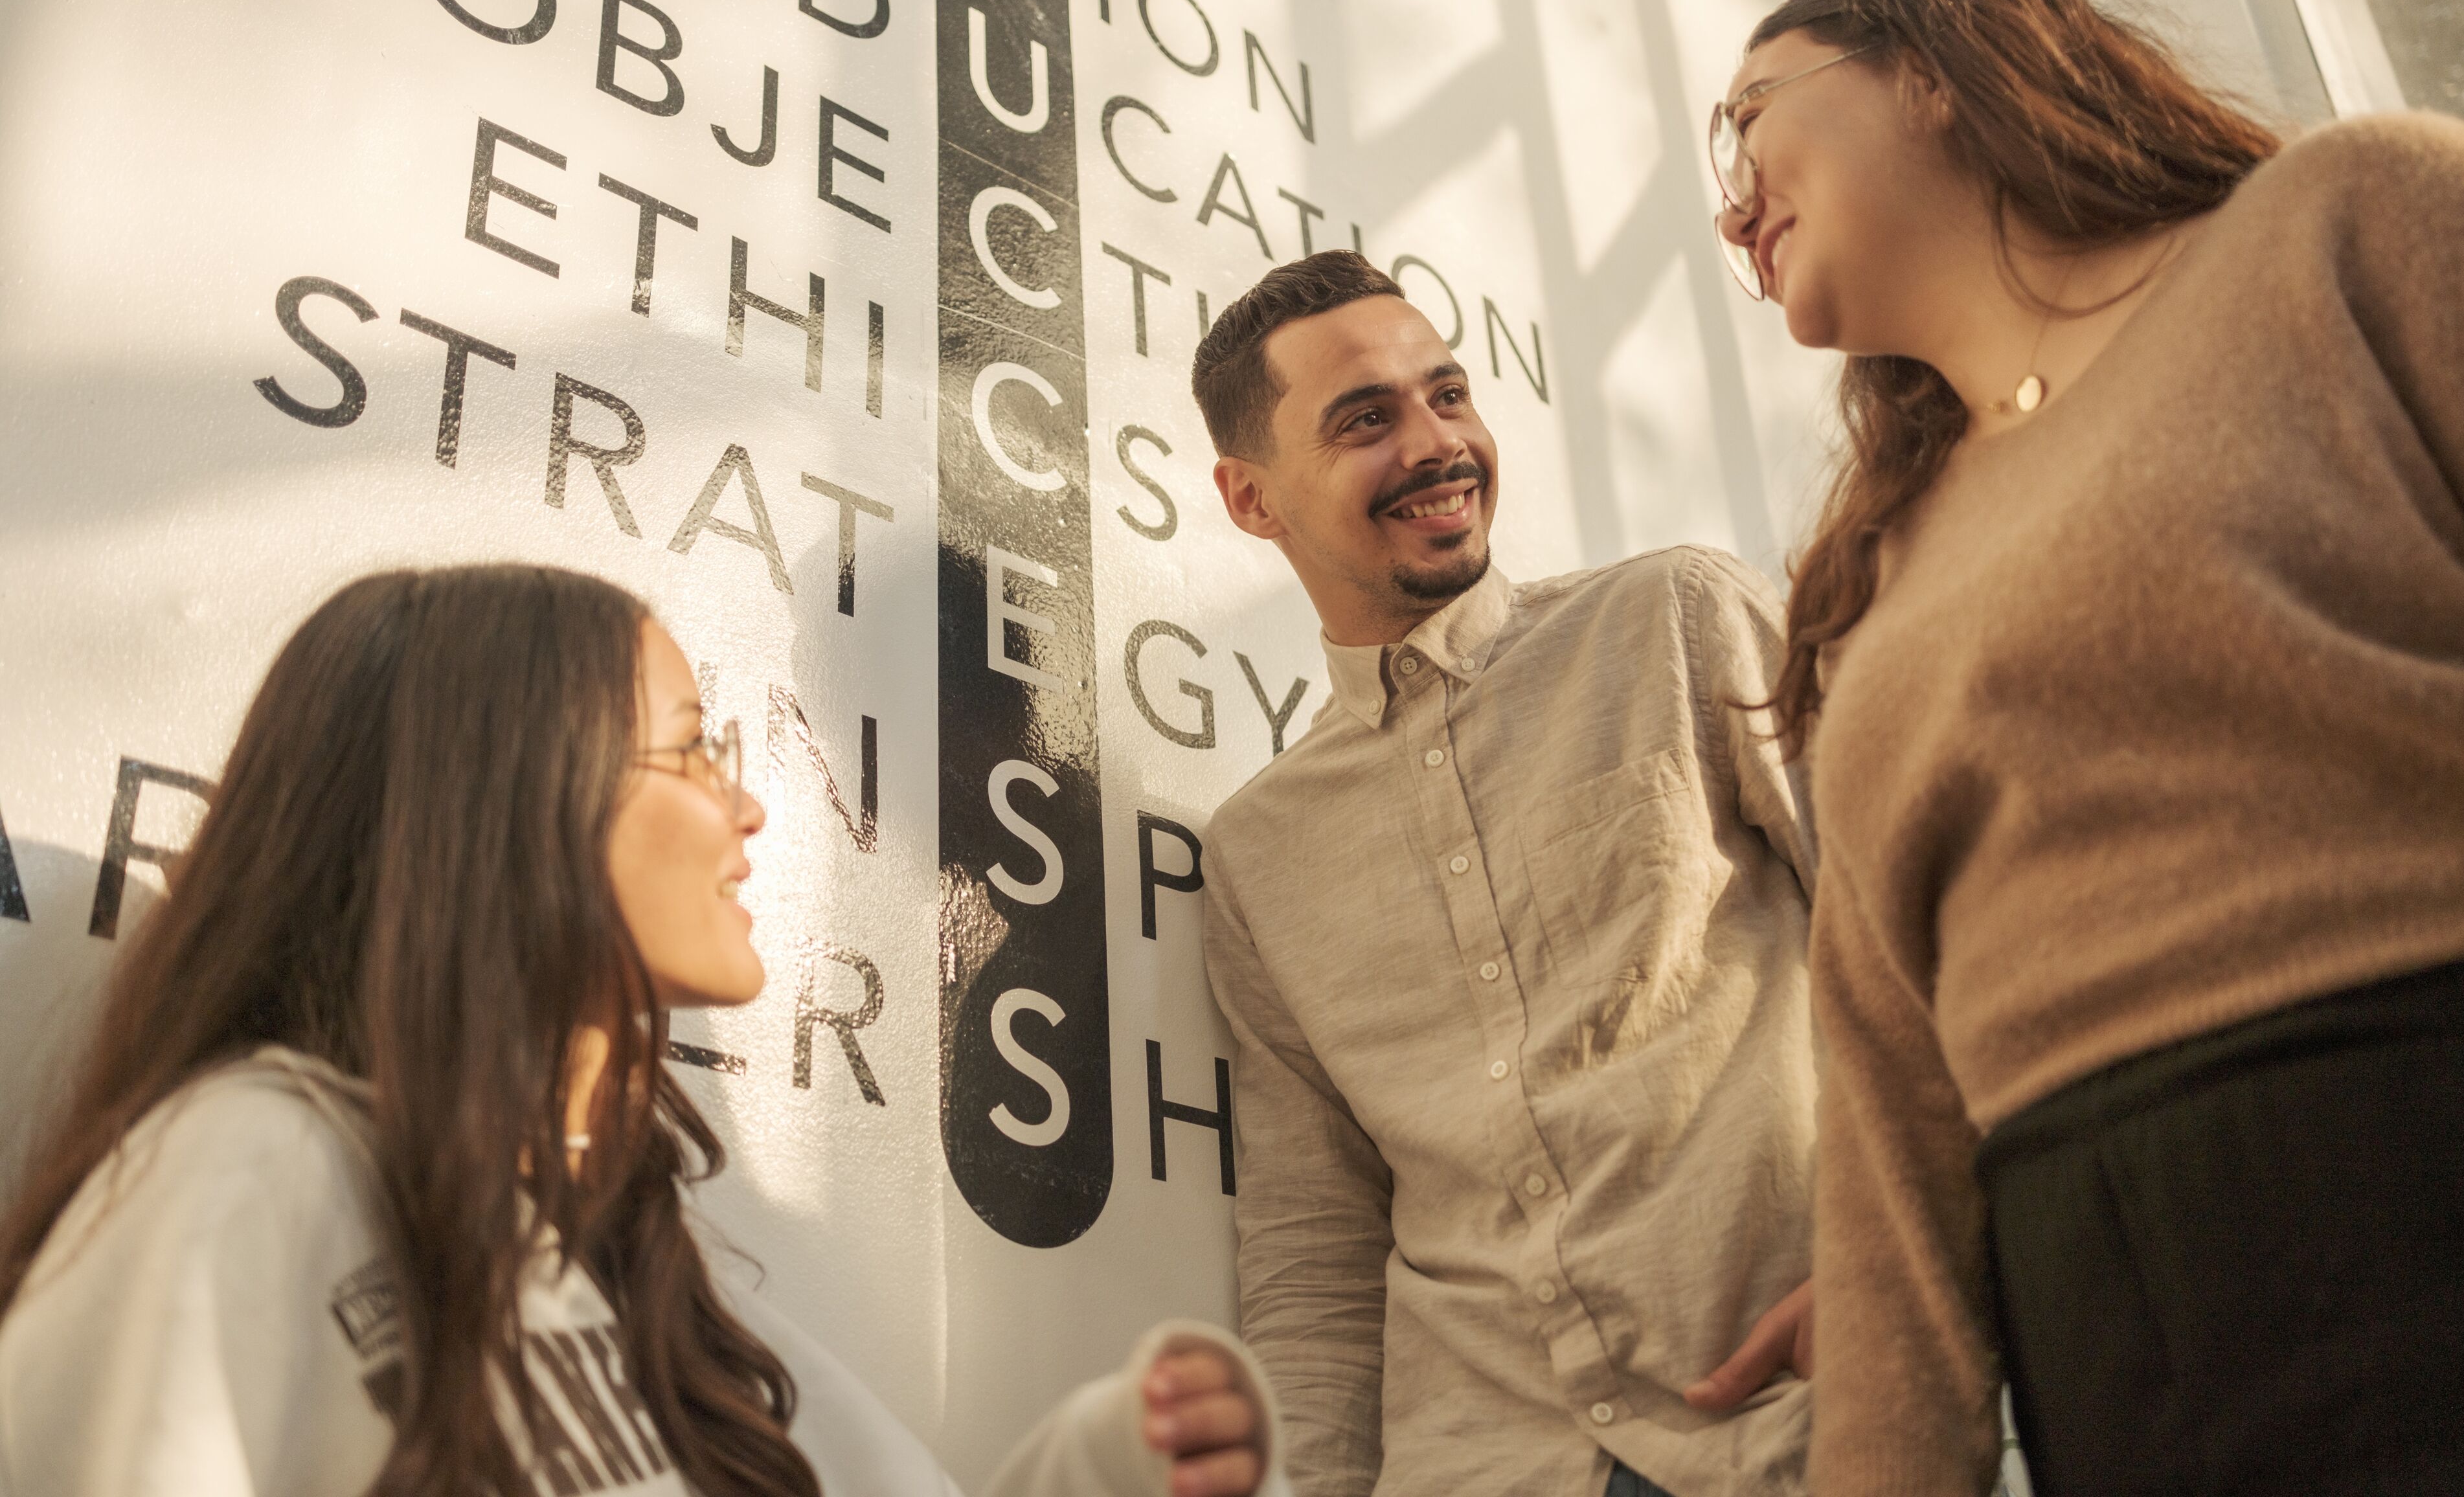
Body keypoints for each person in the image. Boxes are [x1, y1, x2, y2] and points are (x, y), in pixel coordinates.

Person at [1710, 0, 2464, 1497]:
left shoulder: (2359, 215)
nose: (1734, 206)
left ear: (1931, 65)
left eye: (1752, 119)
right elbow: (1888, 1140)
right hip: (2115, 1329)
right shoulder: (1870, 580)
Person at [0, 564, 1286, 1497]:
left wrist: (1113, 1459)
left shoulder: (643, 1259)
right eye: (688, 753)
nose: (748, 810)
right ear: (507, 799)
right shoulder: (259, 1160)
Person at [1190, 251, 1820, 1497]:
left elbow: (1928, 943)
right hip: (1483, 1468)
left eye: (1449, 395)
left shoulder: (1675, 621)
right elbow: (1315, 1248)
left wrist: (1909, 1268)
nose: (1436, 444)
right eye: (1367, 420)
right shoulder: (1259, 854)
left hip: (1803, 1430)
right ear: (1253, 500)